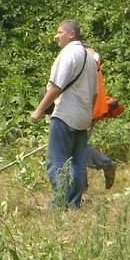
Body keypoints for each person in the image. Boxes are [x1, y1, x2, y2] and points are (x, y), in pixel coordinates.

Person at [30, 20, 97, 208]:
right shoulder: (90, 58)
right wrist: (89, 116)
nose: (56, 36)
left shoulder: (68, 54)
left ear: (71, 34)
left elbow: (56, 87)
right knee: (77, 163)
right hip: (82, 117)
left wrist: (38, 111)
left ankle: (59, 203)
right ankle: (73, 204)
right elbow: (95, 92)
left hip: (64, 115)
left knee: (56, 161)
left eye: (60, 32)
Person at [84, 45, 117, 189]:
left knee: (75, 147)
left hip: (88, 109)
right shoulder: (83, 54)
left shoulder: (87, 55)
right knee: (74, 147)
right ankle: (81, 186)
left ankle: (106, 164)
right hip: (83, 108)